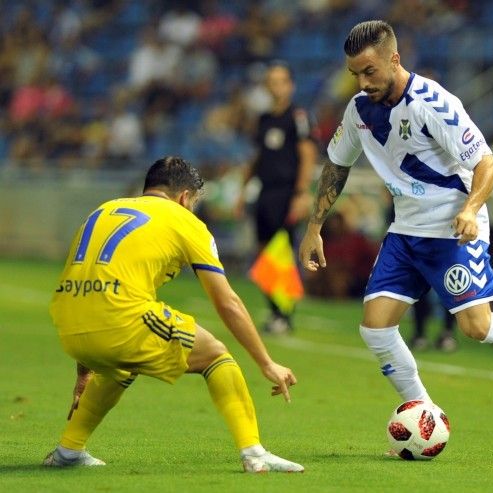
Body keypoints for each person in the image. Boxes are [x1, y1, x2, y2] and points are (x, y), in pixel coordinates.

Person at [298, 20, 493, 408]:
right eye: (355, 74)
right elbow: (336, 165)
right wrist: (315, 226)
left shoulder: (433, 103)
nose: (362, 82)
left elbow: (487, 164)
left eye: (370, 71)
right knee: (375, 328)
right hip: (406, 230)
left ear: (394, 59)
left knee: (477, 327)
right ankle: (426, 413)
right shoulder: (358, 109)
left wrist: (470, 210)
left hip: (453, 227)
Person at [44, 157, 303, 473]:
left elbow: (89, 290)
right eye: (193, 203)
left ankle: (68, 451)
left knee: (122, 365)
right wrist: (266, 363)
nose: (192, 210)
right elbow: (227, 302)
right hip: (118, 318)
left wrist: (84, 371)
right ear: (184, 197)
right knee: (215, 355)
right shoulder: (185, 221)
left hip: (67, 321)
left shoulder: (104, 209)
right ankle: (255, 453)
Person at [235, 61, 318, 333]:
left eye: (281, 80)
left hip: (286, 191)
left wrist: (301, 193)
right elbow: (256, 157)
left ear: (290, 85)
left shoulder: (298, 116)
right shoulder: (263, 119)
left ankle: (285, 313)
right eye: (271, 81)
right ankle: (274, 311)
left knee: (281, 252)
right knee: (263, 253)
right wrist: (242, 189)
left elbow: (307, 154)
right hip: (265, 191)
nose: (276, 86)